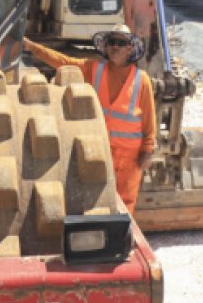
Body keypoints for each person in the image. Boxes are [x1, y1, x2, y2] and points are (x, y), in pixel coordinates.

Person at [22, 25, 156, 214]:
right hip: (98, 150)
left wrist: (148, 150)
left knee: (126, 202)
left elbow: (150, 119)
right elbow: (63, 61)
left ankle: (123, 238)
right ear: (106, 47)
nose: (115, 46)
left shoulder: (142, 80)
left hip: (130, 157)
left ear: (130, 48)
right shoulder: (94, 70)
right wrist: (33, 47)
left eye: (121, 42)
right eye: (111, 42)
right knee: (96, 198)